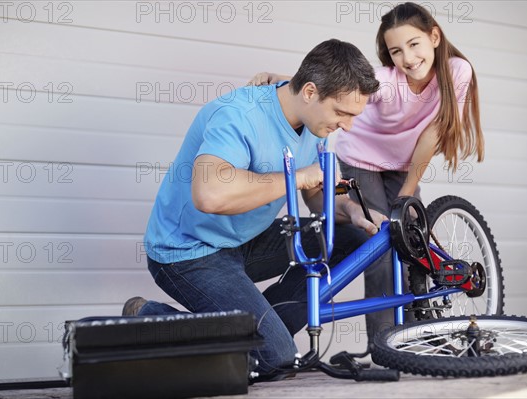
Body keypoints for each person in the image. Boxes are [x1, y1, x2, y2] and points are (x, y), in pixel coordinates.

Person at [123, 38, 384, 375]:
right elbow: (210, 195)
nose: (346, 125)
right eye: (341, 113)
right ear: (309, 92)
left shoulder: (316, 120)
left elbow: (315, 198)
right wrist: (297, 177)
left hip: (247, 241)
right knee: (276, 357)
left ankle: (260, 326)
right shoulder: (238, 116)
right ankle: (148, 316)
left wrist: (350, 210)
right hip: (189, 251)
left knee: (353, 238)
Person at [247, 2, 484, 341]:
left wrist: (407, 191)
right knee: (379, 242)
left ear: (434, 37)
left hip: (404, 164)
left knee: (413, 242)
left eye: (414, 44)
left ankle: (420, 335)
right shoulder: (387, 82)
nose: (408, 58)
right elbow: (335, 91)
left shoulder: (458, 71)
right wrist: (285, 81)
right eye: (396, 51)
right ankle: (385, 343)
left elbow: (433, 132)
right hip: (361, 159)